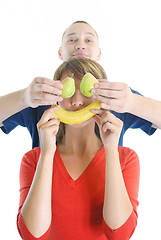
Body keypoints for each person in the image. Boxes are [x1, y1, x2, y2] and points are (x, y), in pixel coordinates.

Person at [17, 58, 140, 240]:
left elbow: (119, 234)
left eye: (86, 91)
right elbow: (32, 235)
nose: (76, 101)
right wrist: (48, 153)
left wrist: (111, 150)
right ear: (54, 99)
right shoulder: (33, 159)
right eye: (68, 92)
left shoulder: (126, 158)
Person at [0, 21, 160, 148]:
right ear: (60, 52)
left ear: (99, 53)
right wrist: (23, 97)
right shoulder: (41, 98)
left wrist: (134, 102)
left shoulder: (117, 99)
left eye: (89, 40)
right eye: (72, 39)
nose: (80, 45)